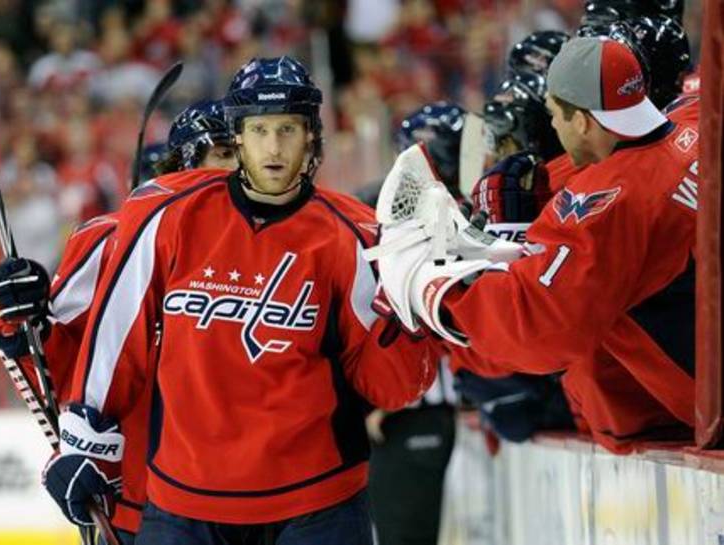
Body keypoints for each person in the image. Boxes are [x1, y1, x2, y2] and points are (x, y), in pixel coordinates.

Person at [42, 56, 437, 545]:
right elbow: (117, 341)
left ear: (310, 136)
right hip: (184, 502)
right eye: (259, 130)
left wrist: (411, 305)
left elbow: (392, 387)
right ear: (238, 136)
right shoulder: (166, 215)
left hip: (317, 503)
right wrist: (82, 443)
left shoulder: (354, 235)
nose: (273, 147)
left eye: (288, 129)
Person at [369, 37, 698, 453]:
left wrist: (438, 291)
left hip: (705, 400)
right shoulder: (694, 123)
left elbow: (539, 329)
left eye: (555, 114)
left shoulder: (609, 203)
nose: (554, 127)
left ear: (583, 121)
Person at [0, 98, 237, 545]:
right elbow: (62, 369)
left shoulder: (286, 241)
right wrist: (23, 326)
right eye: (224, 153)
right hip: (146, 508)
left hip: (265, 499)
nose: (239, 169)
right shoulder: (110, 239)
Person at [363, 102, 461, 545]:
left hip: (415, 411)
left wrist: (391, 399)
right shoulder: (429, 215)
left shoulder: (432, 217)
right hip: (413, 409)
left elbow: (428, 316)